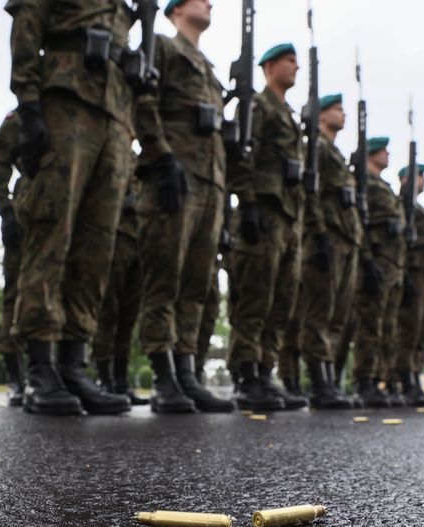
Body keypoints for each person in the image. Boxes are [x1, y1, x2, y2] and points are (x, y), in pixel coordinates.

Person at [6, 0, 134, 415]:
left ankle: (74, 363)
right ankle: (41, 367)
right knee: (51, 232)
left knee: (96, 247)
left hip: (113, 116)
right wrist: (28, 104)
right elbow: (28, 23)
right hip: (66, 99)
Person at [135, 0, 233, 413]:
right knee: (165, 275)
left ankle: (187, 371)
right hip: (175, 175)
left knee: (197, 283)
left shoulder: (209, 69)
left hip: (209, 184)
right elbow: (142, 101)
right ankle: (163, 376)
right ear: (175, 9)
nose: (210, 3)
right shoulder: (162, 47)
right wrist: (161, 157)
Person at [226, 43, 309, 411]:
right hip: (264, 210)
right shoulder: (258, 106)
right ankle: (245, 374)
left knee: (281, 299)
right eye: (290, 61)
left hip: (289, 217)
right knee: (256, 296)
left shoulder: (289, 115)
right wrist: (249, 202)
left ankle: (263, 370)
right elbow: (244, 154)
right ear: (270, 66)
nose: (296, 67)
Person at [281, 93, 361, 410]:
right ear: (322, 114)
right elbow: (310, 193)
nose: (343, 114)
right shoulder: (315, 148)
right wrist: (318, 234)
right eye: (337, 109)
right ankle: (318, 381)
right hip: (325, 237)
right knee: (318, 313)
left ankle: (328, 380)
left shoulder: (335, 153)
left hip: (343, 240)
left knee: (337, 316)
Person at [348, 139, 407, 408]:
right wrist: (368, 259)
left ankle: (381, 381)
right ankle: (364, 381)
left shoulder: (385, 188)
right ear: (372, 154)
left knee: (388, 327)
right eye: (384, 150)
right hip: (376, 261)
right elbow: (363, 222)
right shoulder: (365, 183)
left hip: (393, 266)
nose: (388, 154)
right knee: (370, 324)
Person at [91, 164, 150, 406]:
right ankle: (105, 379)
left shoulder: (140, 162)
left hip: (140, 243)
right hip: (115, 240)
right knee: (108, 312)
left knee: (128, 318)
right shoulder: (114, 154)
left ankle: (121, 381)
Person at [393, 166, 424, 406]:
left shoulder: (422, 211)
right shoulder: (404, 205)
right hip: (413, 274)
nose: (423, 180)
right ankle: (403, 380)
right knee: (409, 330)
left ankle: (413, 378)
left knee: (421, 332)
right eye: (419, 176)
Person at [0, 110, 29, 407]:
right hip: (27, 208)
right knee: (15, 295)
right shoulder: (24, 114)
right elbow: (1, 158)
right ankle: (16, 377)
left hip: (70, 209)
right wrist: (5, 209)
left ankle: (59, 371)